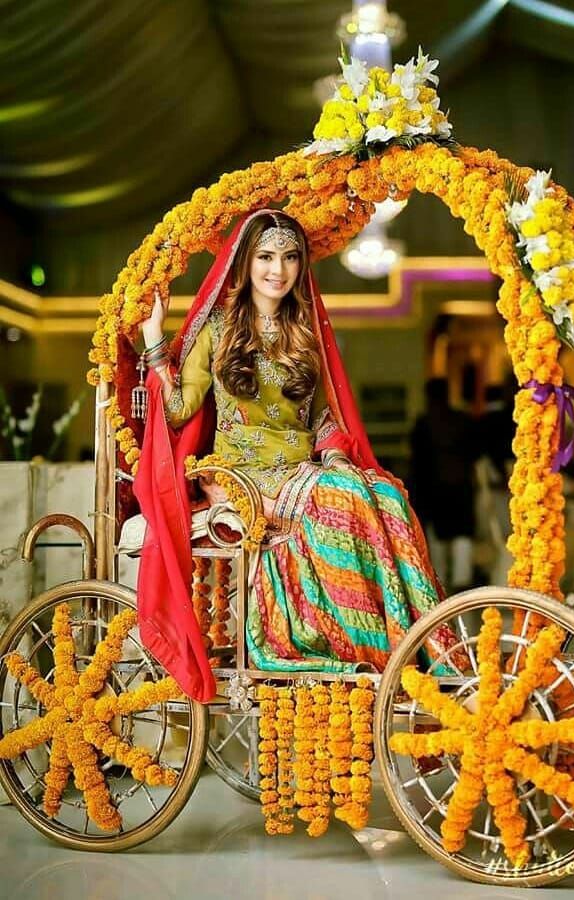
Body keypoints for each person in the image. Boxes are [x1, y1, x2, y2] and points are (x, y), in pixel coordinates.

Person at [134, 209, 458, 702]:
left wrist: (337, 457)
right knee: (343, 497)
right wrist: (155, 338)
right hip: (241, 472)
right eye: (265, 256)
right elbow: (178, 410)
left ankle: (432, 651)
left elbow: (324, 418)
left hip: (301, 468)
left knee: (388, 495)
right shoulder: (217, 330)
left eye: (289, 258)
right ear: (245, 263)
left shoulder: (303, 331)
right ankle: (368, 649)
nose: (277, 270)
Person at [409, 378, 479, 591]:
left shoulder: (423, 424)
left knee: (436, 539)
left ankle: (439, 585)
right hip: (461, 487)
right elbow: (474, 454)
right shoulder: (463, 421)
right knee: (462, 535)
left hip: (433, 489)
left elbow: (417, 460)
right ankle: (462, 585)